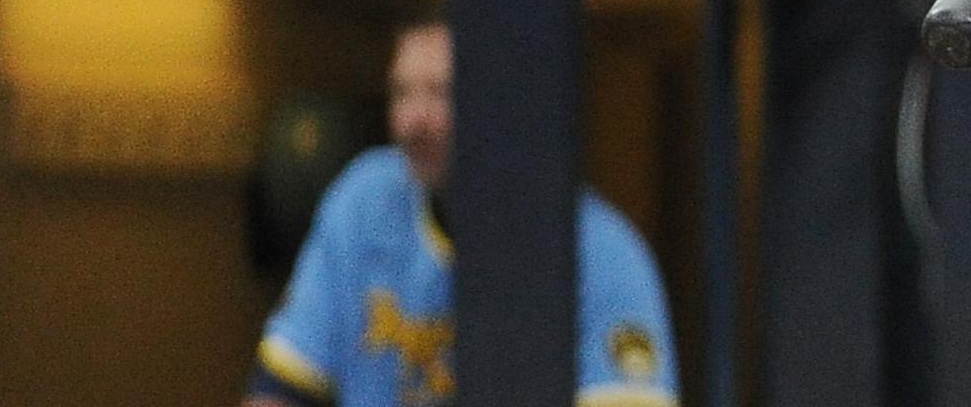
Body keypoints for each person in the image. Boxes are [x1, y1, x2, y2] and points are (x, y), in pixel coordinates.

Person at [247, 21, 673, 407]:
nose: (413, 120)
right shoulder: (367, 202)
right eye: (401, 93)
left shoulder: (600, 250)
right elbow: (280, 391)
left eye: (441, 93)